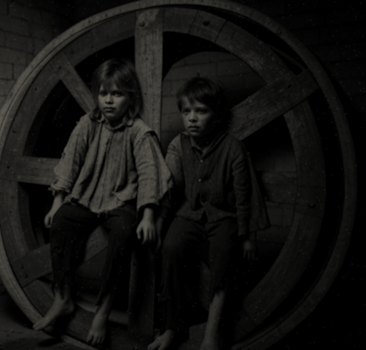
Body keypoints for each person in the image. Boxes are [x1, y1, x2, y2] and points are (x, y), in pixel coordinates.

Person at [33, 58, 172, 346]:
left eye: (117, 94)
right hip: (87, 198)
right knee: (61, 222)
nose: (109, 100)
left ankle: (103, 311)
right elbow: (70, 161)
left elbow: (149, 174)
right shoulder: (87, 124)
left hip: (122, 202)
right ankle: (63, 297)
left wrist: (147, 215)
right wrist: (58, 201)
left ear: (130, 97)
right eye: (103, 93)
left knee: (123, 234)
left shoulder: (139, 132)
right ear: (97, 95)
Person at [149, 77, 269, 350]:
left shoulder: (233, 148)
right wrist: (158, 219)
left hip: (224, 217)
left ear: (217, 116)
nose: (192, 118)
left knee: (224, 258)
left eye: (201, 111)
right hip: (188, 215)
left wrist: (248, 237)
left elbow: (244, 196)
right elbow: (169, 188)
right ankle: (171, 328)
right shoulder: (178, 147)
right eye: (186, 112)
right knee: (170, 249)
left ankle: (211, 335)